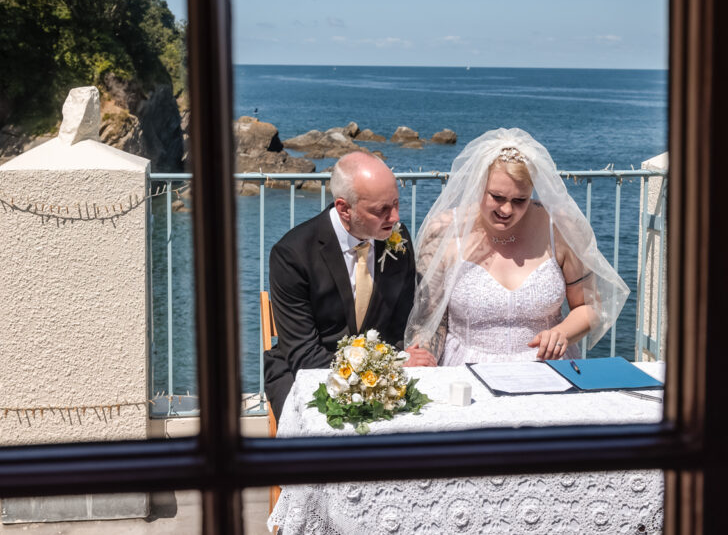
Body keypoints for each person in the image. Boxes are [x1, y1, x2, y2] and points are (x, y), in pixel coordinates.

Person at [404, 128, 629, 365]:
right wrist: (425, 355)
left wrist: (563, 333)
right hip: (466, 366)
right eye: (497, 197)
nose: (507, 210)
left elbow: (589, 306)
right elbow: (431, 320)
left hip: (547, 368)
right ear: (478, 184)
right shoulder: (444, 231)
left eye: (520, 200)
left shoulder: (561, 228)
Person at [263, 152, 435, 417]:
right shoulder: (292, 255)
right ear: (344, 208)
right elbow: (303, 355)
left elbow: (401, 326)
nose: (395, 217)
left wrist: (407, 359)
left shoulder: (397, 239)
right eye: (382, 210)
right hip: (310, 374)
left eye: (396, 204)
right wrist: (389, 368)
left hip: (384, 377)